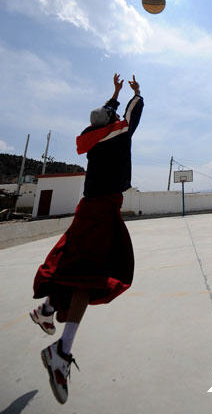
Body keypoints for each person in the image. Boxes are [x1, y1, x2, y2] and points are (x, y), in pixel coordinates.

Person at [30, 74, 144, 403]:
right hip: (100, 211)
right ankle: (61, 351)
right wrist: (136, 94)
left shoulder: (91, 137)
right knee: (89, 276)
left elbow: (107, 114)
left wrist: (114, 94)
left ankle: (47, 308)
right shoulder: (119, 134)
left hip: (92, 208)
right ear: (112, 121)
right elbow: (133, 113)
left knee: (77, 266)